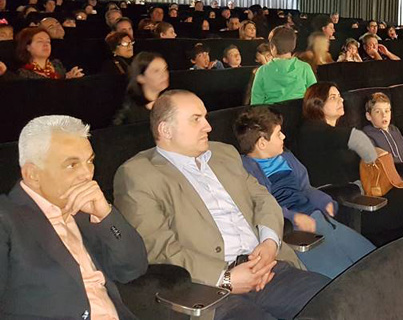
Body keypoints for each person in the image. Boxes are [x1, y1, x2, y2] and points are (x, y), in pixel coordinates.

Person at [113, 91, 329, 318]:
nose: (208, 126)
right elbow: (157, 247)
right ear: (166, 130)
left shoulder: (224, 153)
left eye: (205, 117)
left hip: (267, 267)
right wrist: (225, 279)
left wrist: (269, 242)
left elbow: (263, 199)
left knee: (340, 303)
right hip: (209, 289)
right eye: (196, 119)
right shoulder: (137, 174)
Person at [1, 115, 148, 319]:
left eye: (90, 161)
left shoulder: (85, 211)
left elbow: (132, 269)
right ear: (33, 174)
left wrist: (105, 215)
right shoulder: (7, 218)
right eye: (72, 165)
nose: (87, 174)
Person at [296, 83, 403, 246]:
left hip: (367, 196)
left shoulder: (329, 132)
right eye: (333, 97)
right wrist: (377, 158)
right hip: (355, 208)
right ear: (317, 103)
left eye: (340, 96)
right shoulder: (312, 130)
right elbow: (359, 140)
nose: (341, 100)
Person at [236, 107, 375, 279]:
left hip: (317, 219)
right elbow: (262, 209)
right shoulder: (246, 170)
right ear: (262, 143)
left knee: (371, 259)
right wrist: (293, 218)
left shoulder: (286, 157)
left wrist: (324, 201)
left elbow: (306, 188)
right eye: (278, 134)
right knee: (345, 278)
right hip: (293, 233)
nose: (283, 137)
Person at [251, 26, 317, 104]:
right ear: (294, 45)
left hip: (271, 112)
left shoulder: (262, 71)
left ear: (272, 47)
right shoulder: (305, 68)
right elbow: (314, 96)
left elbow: (256, 103)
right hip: (298, 111)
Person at [362, 92, 403, 172]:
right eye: (378, 112)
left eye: (387, 111)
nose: (384, 115)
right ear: (369, 116)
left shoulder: (394, 130)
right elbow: (378, 161)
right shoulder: (367, 134)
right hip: (393, 175)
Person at [111, 53, 169, 125]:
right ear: (140, 77)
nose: (164, 75)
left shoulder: (169, 101)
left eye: (165, 69)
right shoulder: (129, 113)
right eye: (156, 71)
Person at [15, 28, 83, 80]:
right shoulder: (24, 73)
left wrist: (70, 79)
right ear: (28, 47)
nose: (46, 44)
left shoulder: (57, 65)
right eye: (40, 41)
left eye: (48, 41)